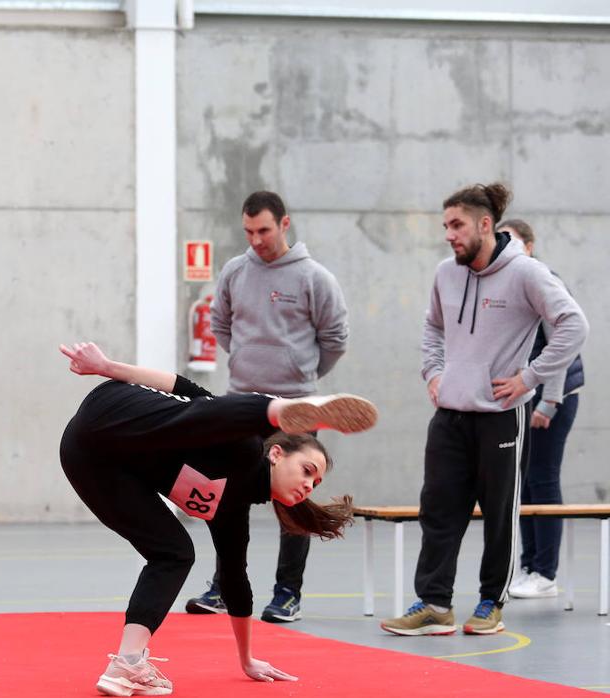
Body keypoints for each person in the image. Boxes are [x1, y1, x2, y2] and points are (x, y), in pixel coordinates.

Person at [57, 341, 374, 694]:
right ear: (278, 454)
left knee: (174, 552)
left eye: (315, 483)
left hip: (85, 458)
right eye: (307, 471)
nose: (308, 486)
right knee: (213, 420)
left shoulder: (231, 510)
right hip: (114, 410)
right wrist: (106, 366)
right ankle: (279, 407)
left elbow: (236, 582)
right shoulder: (241, 444)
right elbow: (179, 385)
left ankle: (126, 663)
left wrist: (247, 659)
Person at [381, 183, 588, 637]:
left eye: (457, 225)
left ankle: (491, 602)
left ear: (484, 225)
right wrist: (433, 373)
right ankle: (434, 604)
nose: (449, 235)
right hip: (449, 414)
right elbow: (432, 326)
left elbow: (574, 324)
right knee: (437, 508)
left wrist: (530, 378)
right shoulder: (445, 274)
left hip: (500, 414)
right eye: (445, 226)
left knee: (499, 513)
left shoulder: (527, 274)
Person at [187, 190, 348, 623]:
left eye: (263, 230)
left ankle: (287, 594)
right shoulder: (235, 272)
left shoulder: (315, 278)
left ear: (284, 224)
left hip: (296, 409)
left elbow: (335, 340)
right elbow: (221, 324)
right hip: (240, 405)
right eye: (248, 231)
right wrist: (245, 359)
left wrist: (300, 374)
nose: (256, 239)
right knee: (227, 499)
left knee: (292, 503)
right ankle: (222, 587)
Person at [498, 220, 585, 600]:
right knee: (526, 482)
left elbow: (560, 348)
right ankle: (530, 564)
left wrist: (549, 402)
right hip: (524, 394)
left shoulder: (543, 279)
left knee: (544, 479)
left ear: (530, 246)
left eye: (514, 241)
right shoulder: (510, 282)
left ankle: (545, 572)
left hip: (551, 396)